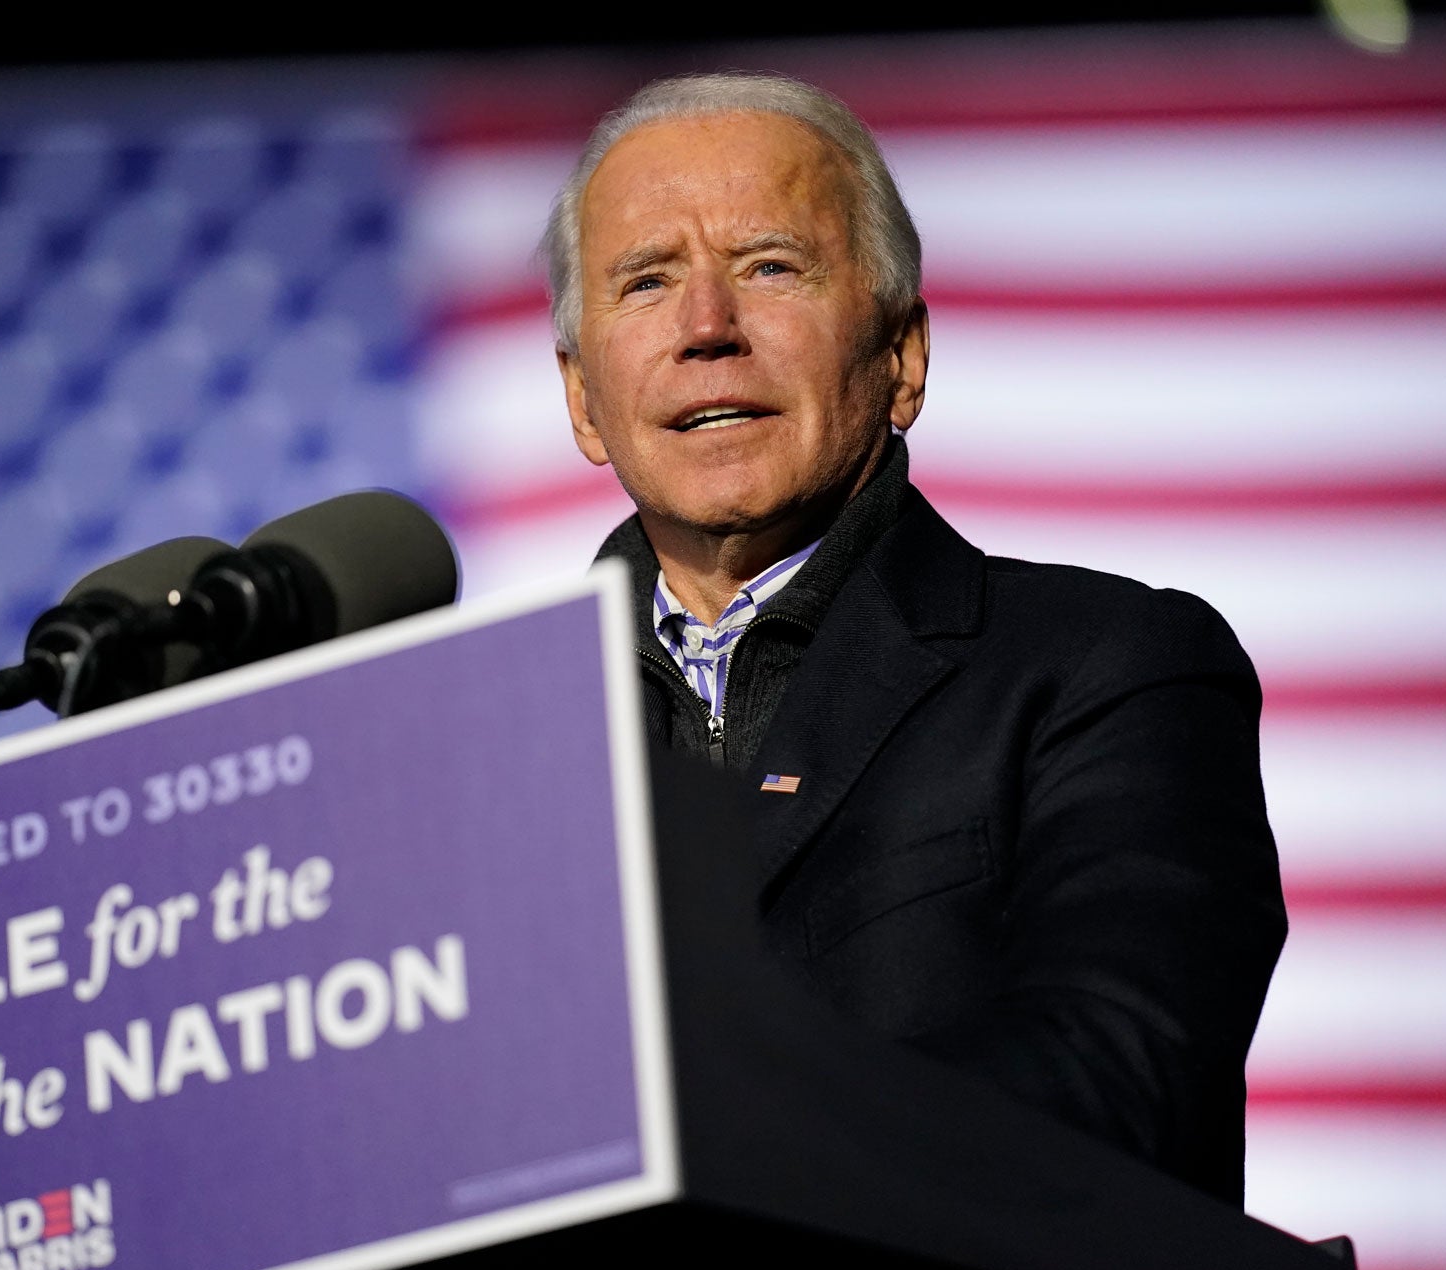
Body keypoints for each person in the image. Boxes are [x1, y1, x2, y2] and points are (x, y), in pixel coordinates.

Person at [539, 72, 1286, 1204]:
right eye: (647, 281)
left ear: (904, 355)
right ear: (585, 400)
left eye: (770, 266)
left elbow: (1122, 1079)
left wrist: (667, 1157)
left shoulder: (1110, 665)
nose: (706, 328)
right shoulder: (496, 755)